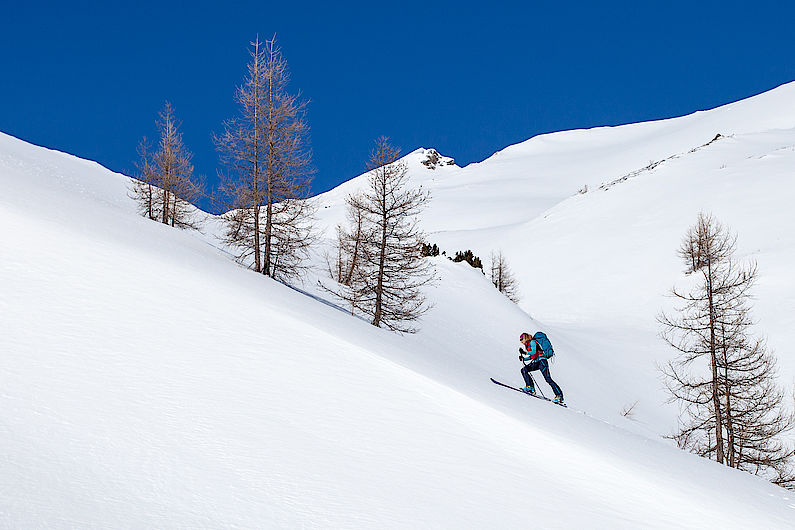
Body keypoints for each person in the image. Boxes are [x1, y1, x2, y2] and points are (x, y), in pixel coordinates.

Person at [519, 332, 565, 405]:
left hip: (542, 362)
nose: (520, 340)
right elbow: (532, 356)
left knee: (548, 379)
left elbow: (533, 352)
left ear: (525, 338)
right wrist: (524, 359)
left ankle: (559, 396)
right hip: (537, 361)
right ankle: (530, 387)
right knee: (524, 370)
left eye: (521, 339)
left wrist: (525, 353)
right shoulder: (528, 345)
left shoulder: (533, 342)